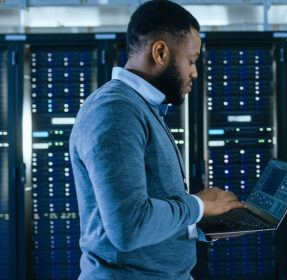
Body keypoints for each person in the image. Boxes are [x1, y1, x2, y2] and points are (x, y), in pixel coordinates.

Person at [69, 1, 244, 279]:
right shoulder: (115, 111)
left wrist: (202, 223)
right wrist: (198, 205)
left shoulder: (142, 107)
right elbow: (129, 227)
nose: (194, 72)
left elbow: (149, 214)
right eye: (191, 60)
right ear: (160, 52)